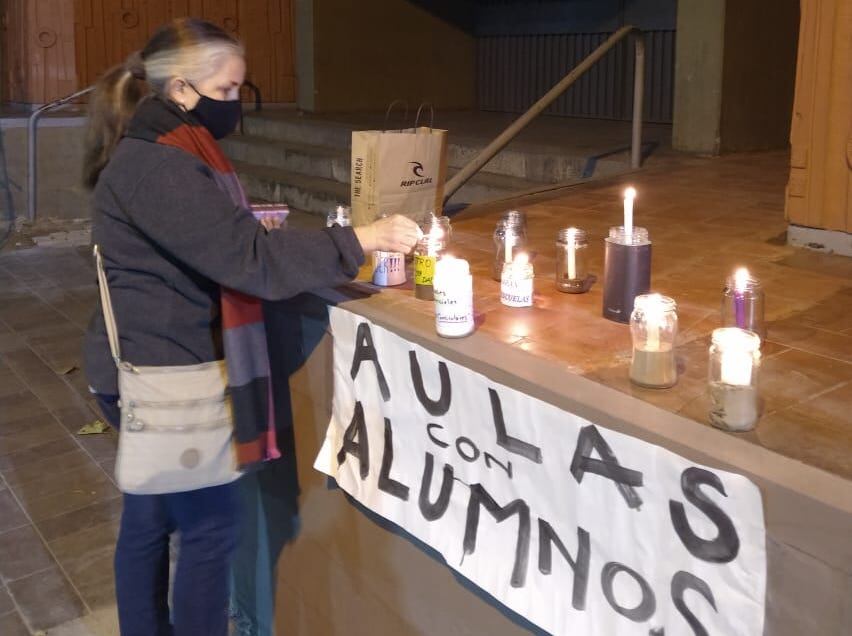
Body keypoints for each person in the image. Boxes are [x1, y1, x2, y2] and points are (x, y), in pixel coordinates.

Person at [82, 17, 419, 636]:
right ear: (182, 91)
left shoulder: (166, 149)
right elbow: (252, 263)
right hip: (170, 375)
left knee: (149, 523)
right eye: (228, 90)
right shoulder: (161, 166)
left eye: (241, 88)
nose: (236, 105)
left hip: (146, 363)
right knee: (209, 532)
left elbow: (218, 242)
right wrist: (358, 239)